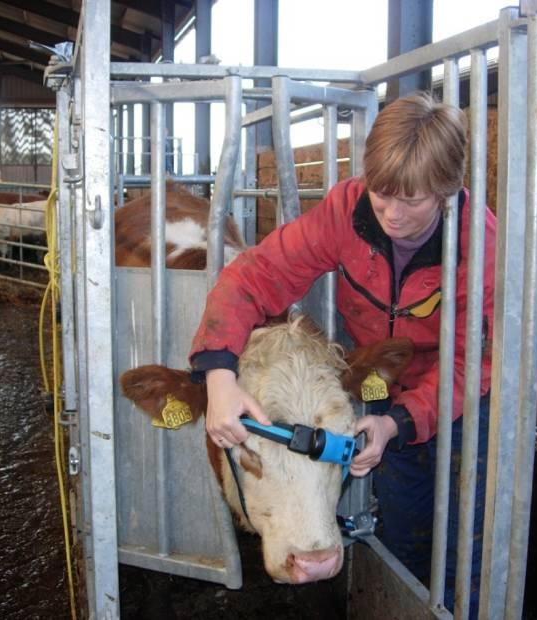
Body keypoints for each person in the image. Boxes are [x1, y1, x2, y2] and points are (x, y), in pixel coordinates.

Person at [188, 91, 495, 616]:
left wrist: (400, 420)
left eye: (413, 200)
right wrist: (218, 372)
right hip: (381, 379)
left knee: (466, 530)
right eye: (382, 195)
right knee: (401, 520)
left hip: (461, 389)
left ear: (448, 190)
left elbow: (475, 360)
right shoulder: (345, 213)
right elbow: (254, 276)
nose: (393, 215)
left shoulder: (478, 244)